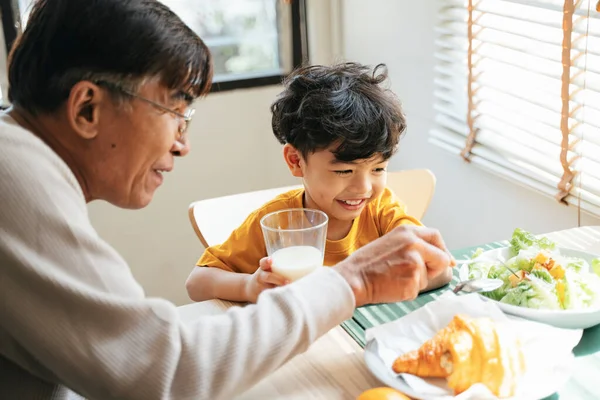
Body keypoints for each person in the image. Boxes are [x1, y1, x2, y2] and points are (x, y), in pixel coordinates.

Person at [0, 1, 455, 399]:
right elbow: (163, 374)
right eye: (174, 113)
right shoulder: (14, 179)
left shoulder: (20, 162)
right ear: (86, 109)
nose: (183, 144)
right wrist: (351, 282)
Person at [185, 63, 453, 303]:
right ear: (296, 161)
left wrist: (365, 289)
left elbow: (441, 269)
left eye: (378, 168)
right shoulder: (277, 222)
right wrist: (249, 286)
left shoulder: (382, 210)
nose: (363, 188)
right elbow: (197, 283)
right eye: (345, 171)